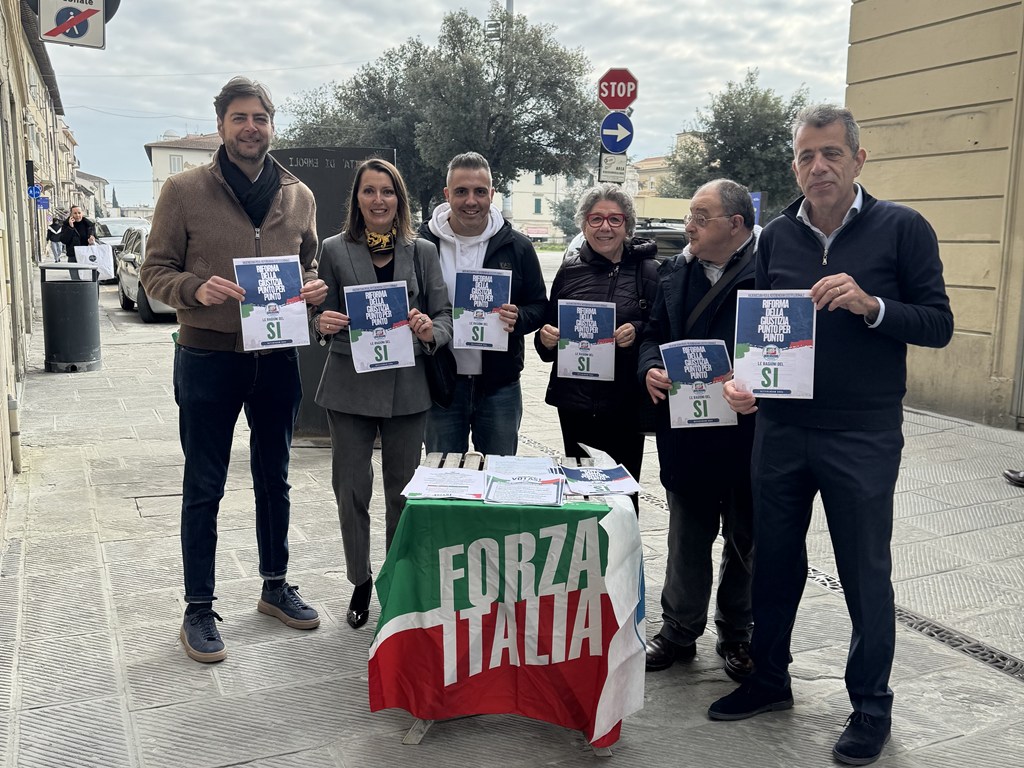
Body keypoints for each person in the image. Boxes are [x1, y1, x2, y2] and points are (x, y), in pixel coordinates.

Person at [708, 105, 954, 766]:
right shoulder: (775, 239)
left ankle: (871, 705)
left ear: (857, 160)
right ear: (794, 165)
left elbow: (938, 323)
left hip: (863, 434)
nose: (818, 167)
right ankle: (769, 680)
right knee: (774, 561)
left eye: (831, 154)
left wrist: (872, 306)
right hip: (783, 430)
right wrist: (742, 382)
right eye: (806, 156)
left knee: (864, 572)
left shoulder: (903, 229)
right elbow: (753, 330)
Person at [140, 76, 328, 664]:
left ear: (273, 126)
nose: (251, 128)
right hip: (207, 358)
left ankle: (275, 585)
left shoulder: (298, 195)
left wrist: (315, 289)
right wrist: (196, 288)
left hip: (277, 359)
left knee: (275, 476)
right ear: (221, 124)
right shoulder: (183, 190)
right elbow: (155, 273)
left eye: (261, 118)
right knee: (204, 484)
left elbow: (310, 260)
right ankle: (198, 608)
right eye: (240, 118)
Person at [313, 158, 452, 630]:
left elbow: (446, 315)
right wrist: (322, 323)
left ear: (400, 200)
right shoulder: (334, 250)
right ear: (357, 199)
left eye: (387, 191)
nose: (378, 200)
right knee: (350, 490)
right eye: (369, 191)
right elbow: (320, 315)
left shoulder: (423, 251)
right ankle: (360, 579)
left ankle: (395, 581)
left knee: (402, 493)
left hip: (407, 390)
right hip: (349, 387)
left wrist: (431, 329)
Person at [638, 179, 757, 678]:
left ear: (735, 224)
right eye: (690, 214)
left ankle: (738, 634)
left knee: (747, 541)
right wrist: (649, 367)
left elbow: (789, 349)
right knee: (687, 535)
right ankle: (679, 630)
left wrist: (757, 388)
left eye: (700, 217)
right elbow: (651, 335)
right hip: (687, 431)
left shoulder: (768, 275)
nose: (689, 224)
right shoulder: (672, 271)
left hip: (749, 434)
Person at [534, 183, 658, 509]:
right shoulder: (569, 271)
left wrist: (638, 329)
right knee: (582, 498)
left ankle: (622, 559)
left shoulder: (649, 271)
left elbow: (663, 331)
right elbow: (547, 341)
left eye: (615, 219)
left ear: (627, 225)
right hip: (575, 404)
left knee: (622, 498)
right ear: (584, 224)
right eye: (596, 218)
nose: (605, 227)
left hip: (625, 405)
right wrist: (546, 338)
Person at [419, 152, 547, 457]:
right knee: (442, 480)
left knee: (499, 480)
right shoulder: (422, 244)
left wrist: (520, 319)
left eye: (479, 191)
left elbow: (540, 305)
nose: (471, 201)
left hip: (499, 385)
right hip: (441, 385)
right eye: (461, 191)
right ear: (447, 194)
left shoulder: (517, 246)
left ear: (491, 194)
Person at [59, 206, 97, 277]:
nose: (77, 215)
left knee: (88, 279)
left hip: (87, 256)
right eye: (75, 213)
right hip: (73, 256)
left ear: (82, 213)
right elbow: (64, 240)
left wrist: (92, 240)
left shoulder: (89, 225)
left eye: (79, 213)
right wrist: (71, 227)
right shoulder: (66, 225)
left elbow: (96, 239)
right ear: (71, 215)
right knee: (75, 280)